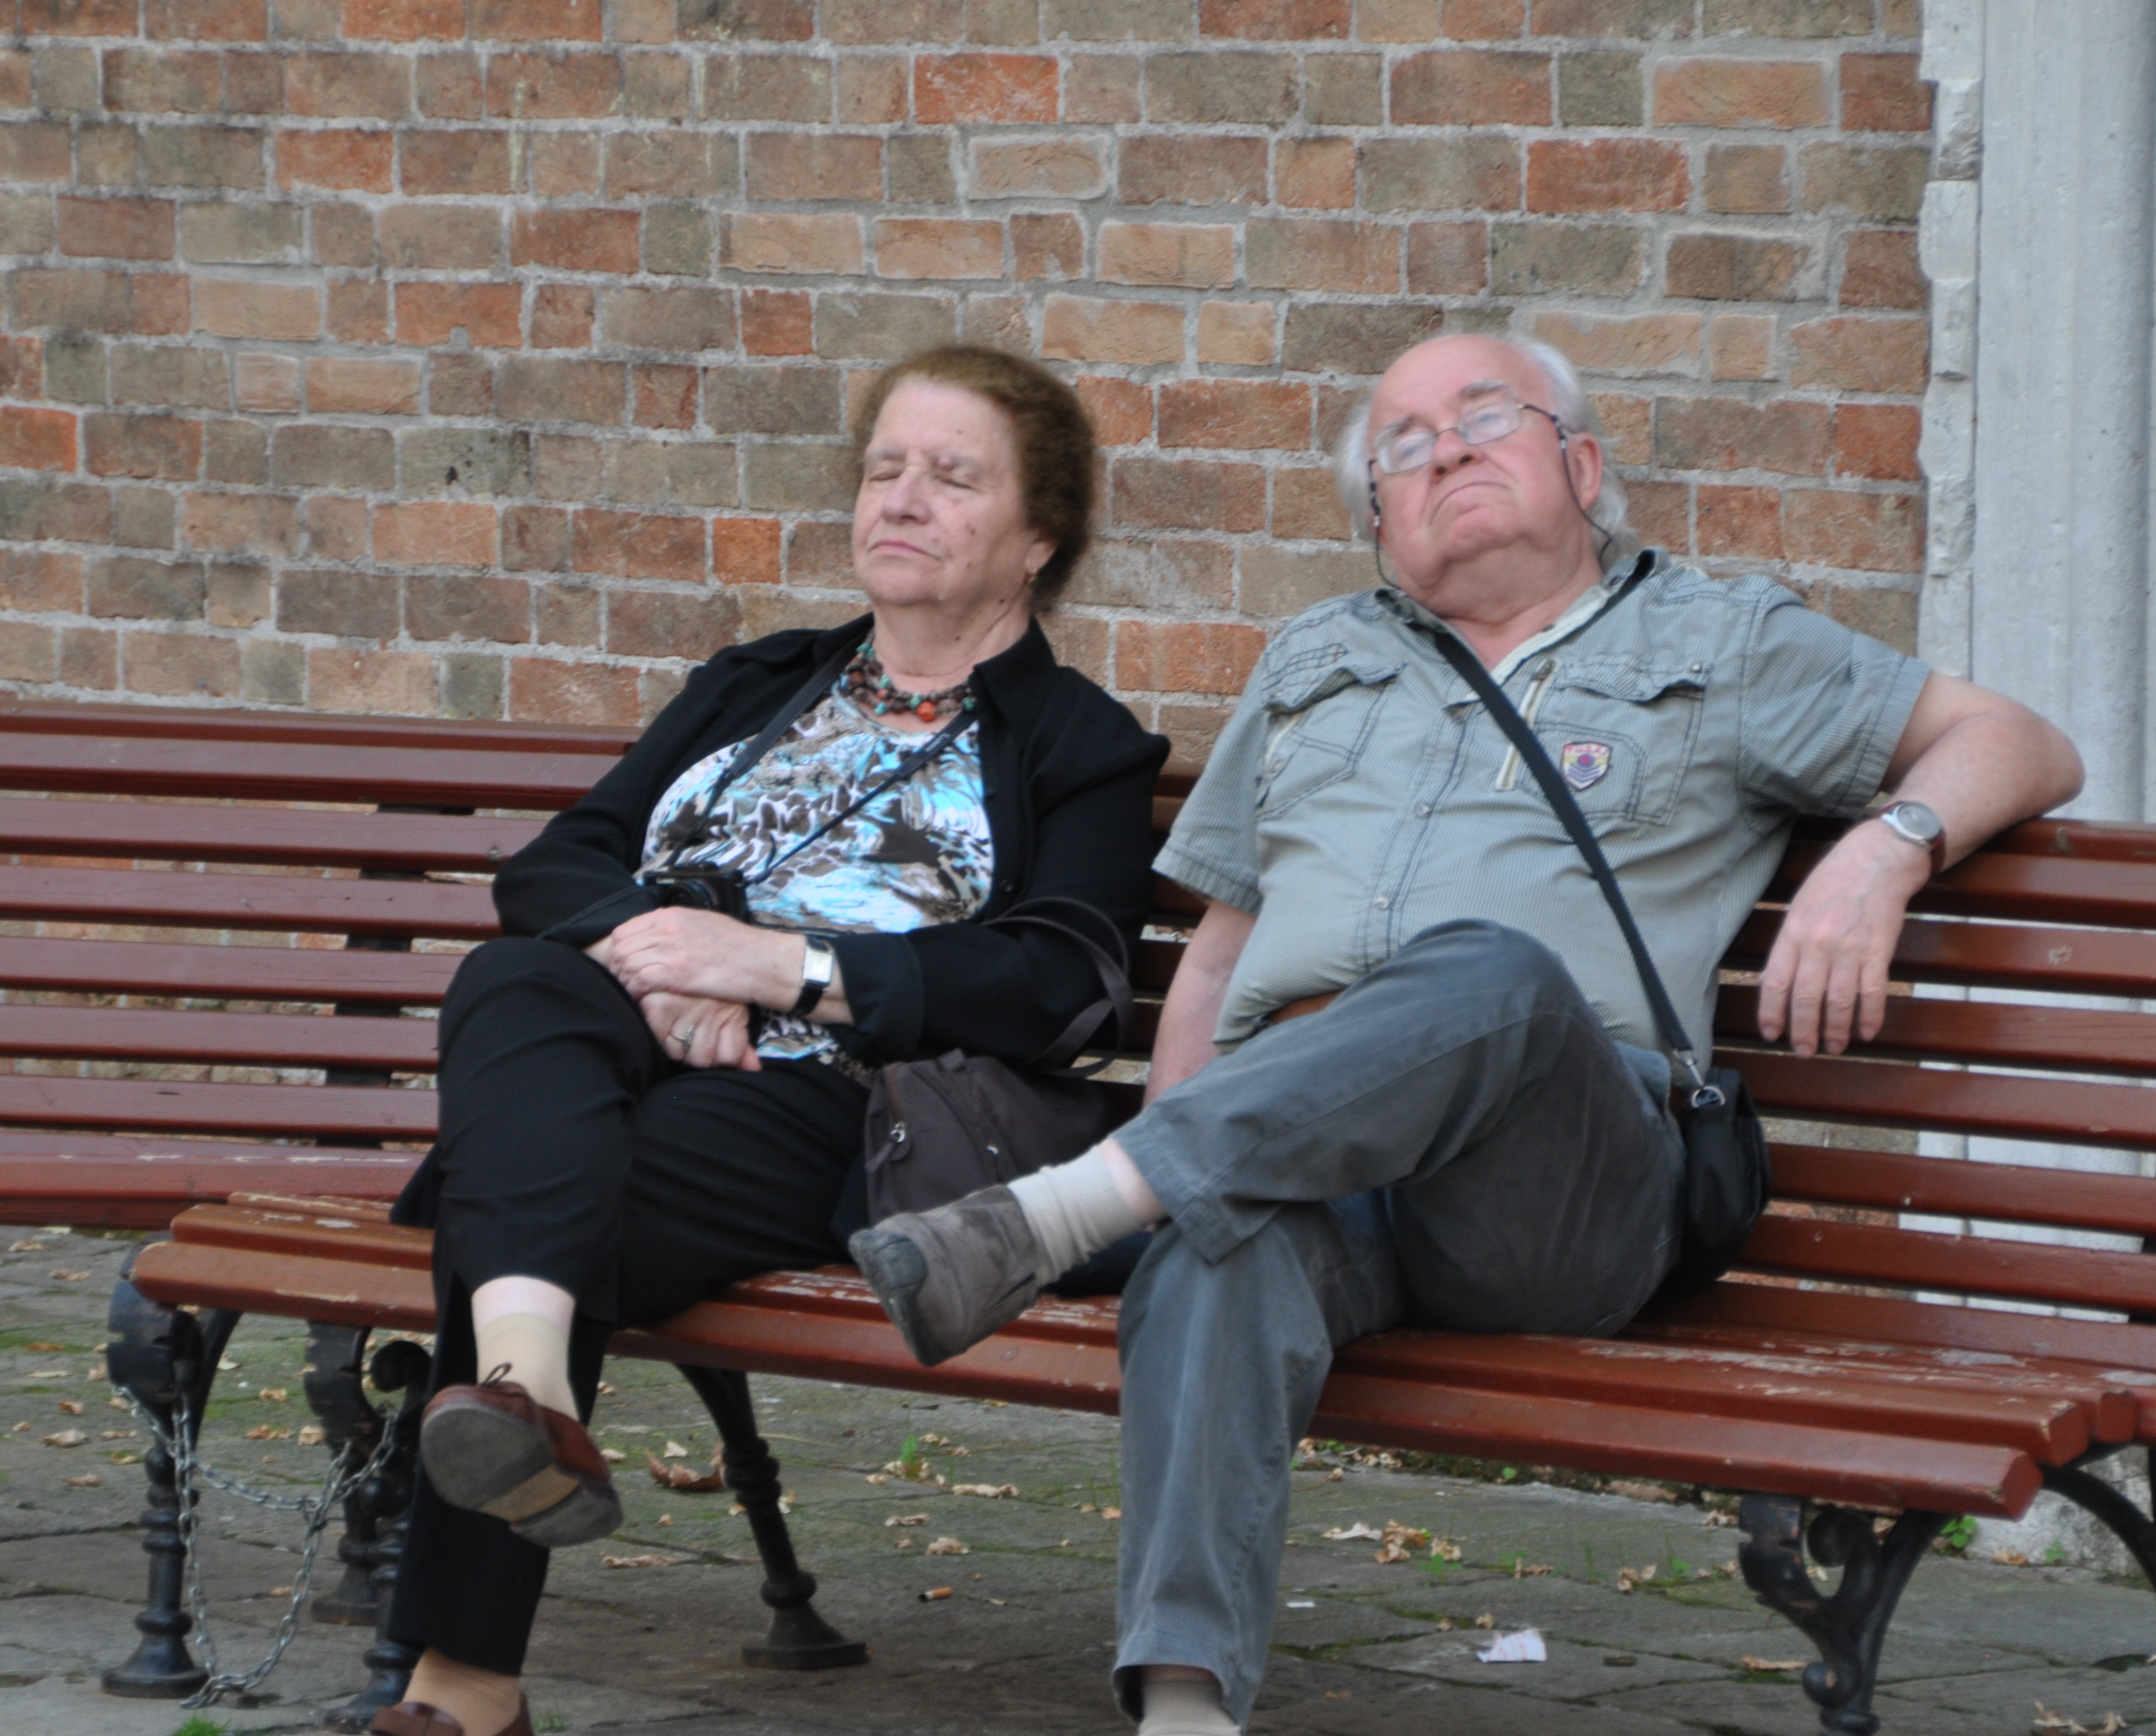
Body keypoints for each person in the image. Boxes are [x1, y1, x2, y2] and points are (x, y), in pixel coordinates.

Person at [849, 333, 2085, 1736]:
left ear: (1582, 465)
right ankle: (1184, 1709)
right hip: (1316, 1166)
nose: (1443, 451)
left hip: (1552, 1182)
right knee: (1213, 1242)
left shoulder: (1725, 642)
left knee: (1489, 969)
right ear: (1378, 519)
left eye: (1485, 419)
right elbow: (1224, 948)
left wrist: (1883, 850)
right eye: (1403, 444)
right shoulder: (1319, 656)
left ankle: (1062, 1211)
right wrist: (1183, 1146)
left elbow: (2019, 741)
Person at [371, 346, 1169, 1736]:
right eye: (883, 468)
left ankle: (464, 1679)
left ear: (1039, 536)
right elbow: (560, 863)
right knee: (513, 981)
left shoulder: (1076, 743)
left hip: (828, 1100)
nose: (900, 498)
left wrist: (776, 970)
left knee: (529, 1207)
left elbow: (1061, 983)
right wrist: (668, 960)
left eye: (952, 476)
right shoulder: (760, 678)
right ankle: (526, 1391)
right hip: (610, 1033)